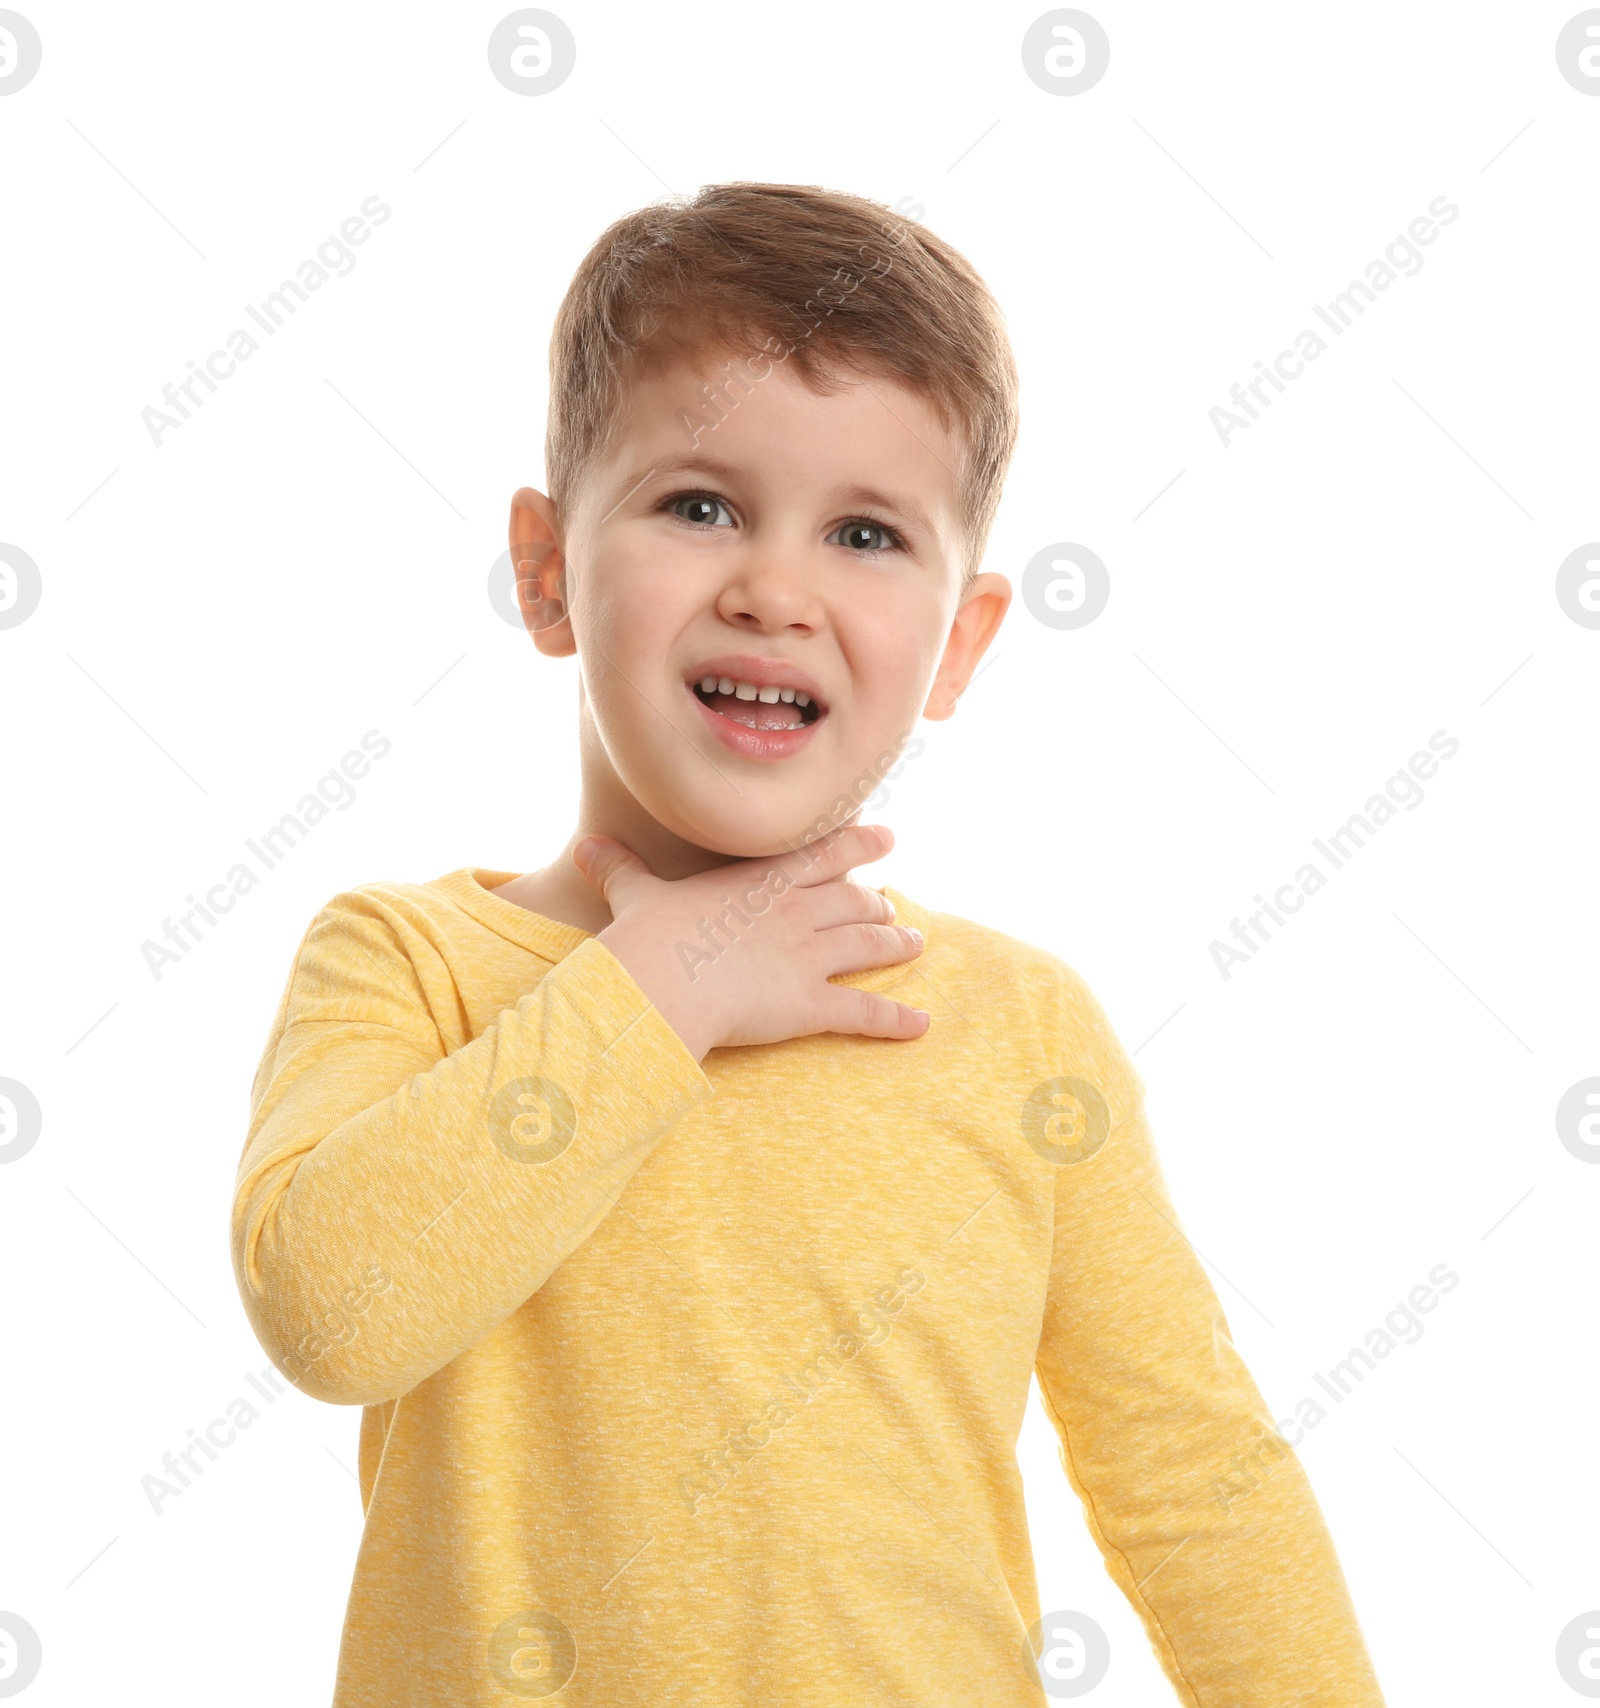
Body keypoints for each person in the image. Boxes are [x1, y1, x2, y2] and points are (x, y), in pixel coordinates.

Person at [231, 181, 1385, 1706]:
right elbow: (332, 1312)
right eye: (698, 505)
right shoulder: (408, 965)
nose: (775, 591)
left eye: (862, 532)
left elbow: (1196, 1483)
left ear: (959, 642)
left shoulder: (1022, 1028)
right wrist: (662, 990)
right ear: (548, 569)